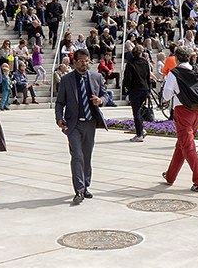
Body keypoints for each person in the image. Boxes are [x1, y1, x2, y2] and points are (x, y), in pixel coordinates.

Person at [55, 47, 108, 203]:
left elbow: (105, 94)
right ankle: (78, 190)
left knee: (87, 156)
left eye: (86, 61)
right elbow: (59, 103)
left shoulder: (96, 77)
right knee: (77, 156)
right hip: (73, 124)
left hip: (90, 123)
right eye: (80, 61)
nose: (84, 64)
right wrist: (59, 118)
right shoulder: (66, 80)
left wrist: (101, 101)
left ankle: (85, 186)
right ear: (74, 62)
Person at [160, 44, 198, 192]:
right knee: (181, 145)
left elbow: (166, 95)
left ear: (176, 59)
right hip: (197, 113)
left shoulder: (174, 73)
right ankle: (170, 176)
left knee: (188, 147)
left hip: (182, 112)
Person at [121, 44, 153, 141]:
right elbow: (148, 77)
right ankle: (141, 130)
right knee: (140, 110)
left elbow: (128, 79)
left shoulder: (130, 64)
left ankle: (139, 134)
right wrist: (149, 89)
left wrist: (127, 88)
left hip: (135, 90)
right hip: (145, 88)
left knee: (136, 112)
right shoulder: (145, 62)